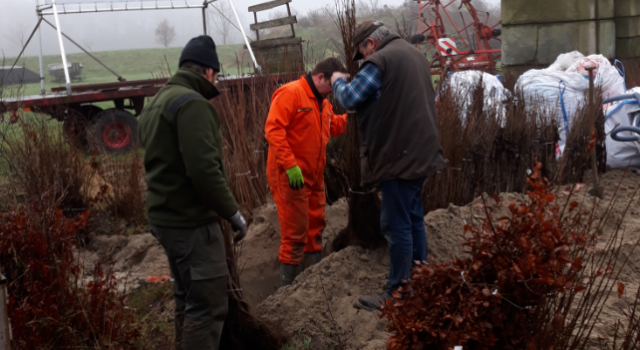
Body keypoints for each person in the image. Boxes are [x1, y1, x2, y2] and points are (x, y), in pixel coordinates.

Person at [138, 35, 248, 350]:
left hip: (166, 220)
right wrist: (233, 213)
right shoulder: (193, 105)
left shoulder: (159, 101)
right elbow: (203, 171)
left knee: (187, 299)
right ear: (209, 72)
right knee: (207, 305)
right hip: (191, 224)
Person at [330, 21, 446, 311]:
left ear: (371, 43)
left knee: (396, 226)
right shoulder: (415, 55)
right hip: (422, 153)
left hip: (398, 157)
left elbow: (349, 99)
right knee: (414, 218)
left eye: (362, 53)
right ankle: (419, 283)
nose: (363, 60)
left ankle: (398, 294)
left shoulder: (381, 61)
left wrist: (336, 81)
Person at [265, 58, 348, 286]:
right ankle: (287, 290)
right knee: (294, 233)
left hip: (314, 177)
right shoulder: (290, 93)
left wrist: (356, 116)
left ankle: (313, 283)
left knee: (315, 227)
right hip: (290, 177)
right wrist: (290, 166)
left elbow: (335, 126)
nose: (334, 91)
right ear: (320, 77)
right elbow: (273, 130)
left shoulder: (323, 103)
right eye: (334, 85)